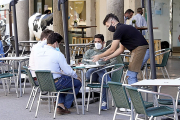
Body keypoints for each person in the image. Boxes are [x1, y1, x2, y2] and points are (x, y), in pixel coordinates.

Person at [92, 13, 150, 85]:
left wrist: (99, 56)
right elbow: (120, 49)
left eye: (108, 26)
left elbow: (112, 49)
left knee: (131, 75)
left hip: (140, 51)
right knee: (130, 74)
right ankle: (133, 95)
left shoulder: (119, 30)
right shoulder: (123, 28)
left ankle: (134, 96)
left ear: (112, 22)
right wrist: (108, 57)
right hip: (138, 51)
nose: (108, 28)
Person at [34, 32, 82, 115]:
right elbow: (68, 71)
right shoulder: (57, 54)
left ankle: (60, 103)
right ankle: (64, 106)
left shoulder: (38, 53)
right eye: (59, 44)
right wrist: (76, 76)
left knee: (64, 80)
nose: (59, 46)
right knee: (77, 82)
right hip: (56, 83)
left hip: (42, 83)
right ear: (56, 43)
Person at [82, 34, 111, 110]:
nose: (97, 43)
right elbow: (83, 61)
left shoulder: (107, 52)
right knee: (99, 69)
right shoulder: (90, 51)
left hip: (102, 75)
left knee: (103, 79)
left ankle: (103, 102)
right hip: (91, 74)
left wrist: (105, 62)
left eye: (99, 42)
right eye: (95, 42)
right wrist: (92, 64)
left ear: (103, 42)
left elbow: (113, 62)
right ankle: (111, 84)